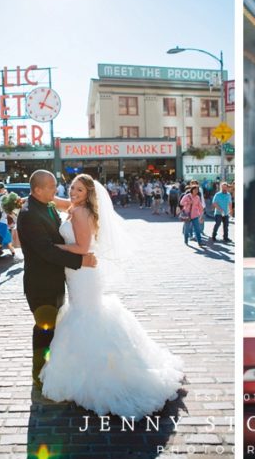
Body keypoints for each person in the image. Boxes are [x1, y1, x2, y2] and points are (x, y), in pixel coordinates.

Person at [38, 174, 184, 416]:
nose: (74, 193)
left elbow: (82, 248)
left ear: (88, 195)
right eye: (73, 188)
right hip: (77, 273)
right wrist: (38, 197)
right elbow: (60, 202)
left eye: (80, 190)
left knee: (86, 316)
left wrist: (50, 248)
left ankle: (99, 378)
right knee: (83, 313)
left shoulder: (82, 213)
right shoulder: (76, 206)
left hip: (84, 274)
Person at [16, 171, 98, 387]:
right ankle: (40, 375)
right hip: (41, 284)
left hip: (57, 281)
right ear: (38, 190)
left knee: (54, 329)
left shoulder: (46, 205)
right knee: (44, 330)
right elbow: (46, 251)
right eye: (52, 187)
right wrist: (81, 261)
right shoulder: (29, 213)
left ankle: (51, 371)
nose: (57, 190)